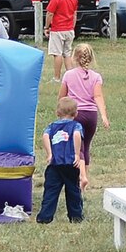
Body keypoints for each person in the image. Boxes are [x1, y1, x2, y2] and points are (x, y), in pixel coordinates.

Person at [36, 95, 88, 223]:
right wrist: (76, 154)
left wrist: (49, 153)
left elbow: (45, 136)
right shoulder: (76, 126)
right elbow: (76, 135)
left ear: (57, 113)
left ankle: (44, 217)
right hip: (70, 164)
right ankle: (75, 217)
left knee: (50, 192)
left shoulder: (51, 126)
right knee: (73, 192)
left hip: (54, 164)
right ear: (76, 113)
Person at [60, 43, 109, 164]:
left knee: (77, 147)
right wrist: (103, 115)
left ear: (74, 58)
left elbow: (62, 96)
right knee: (86, 146)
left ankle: (80, 177)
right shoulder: (96, 77)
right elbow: (98, 96)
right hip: (91, 115)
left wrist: (60, 112)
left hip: (75, 114)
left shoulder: (68, 75)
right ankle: (85, 174)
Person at [44, 0, 77, 78]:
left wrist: (46, 27)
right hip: (69, 29)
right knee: (67, 54)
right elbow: (74, 14)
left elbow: (50, 13)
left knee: (57, 53)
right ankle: (71, 78)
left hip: (58, 29)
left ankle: (57, 77)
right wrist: (72, 26)